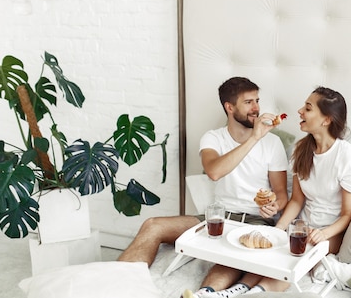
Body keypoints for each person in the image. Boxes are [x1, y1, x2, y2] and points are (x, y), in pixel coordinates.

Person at [181, 86, 351, 298]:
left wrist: (324, 233)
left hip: (333, 230)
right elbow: (297, 200)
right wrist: (278, 230)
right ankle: (220, 295)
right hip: (301, 225)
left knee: (288, 263)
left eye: (307, 108)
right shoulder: (302, 150)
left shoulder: (348, 157)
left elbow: (348, 213)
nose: (300, 111)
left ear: (326, 119)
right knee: (266, 254)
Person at [118, 76, 289, 269]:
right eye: (248, 102)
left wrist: (275, 206)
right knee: (152, 225)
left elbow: (281, 193)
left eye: (257, 101)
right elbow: (214, 172)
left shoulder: (272, 143)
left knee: (229, 262)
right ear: (229, 107)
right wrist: (254, 138)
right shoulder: (213, 138)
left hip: (255, 221)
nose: (256, 108)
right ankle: (120, 282)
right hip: (218, 217)